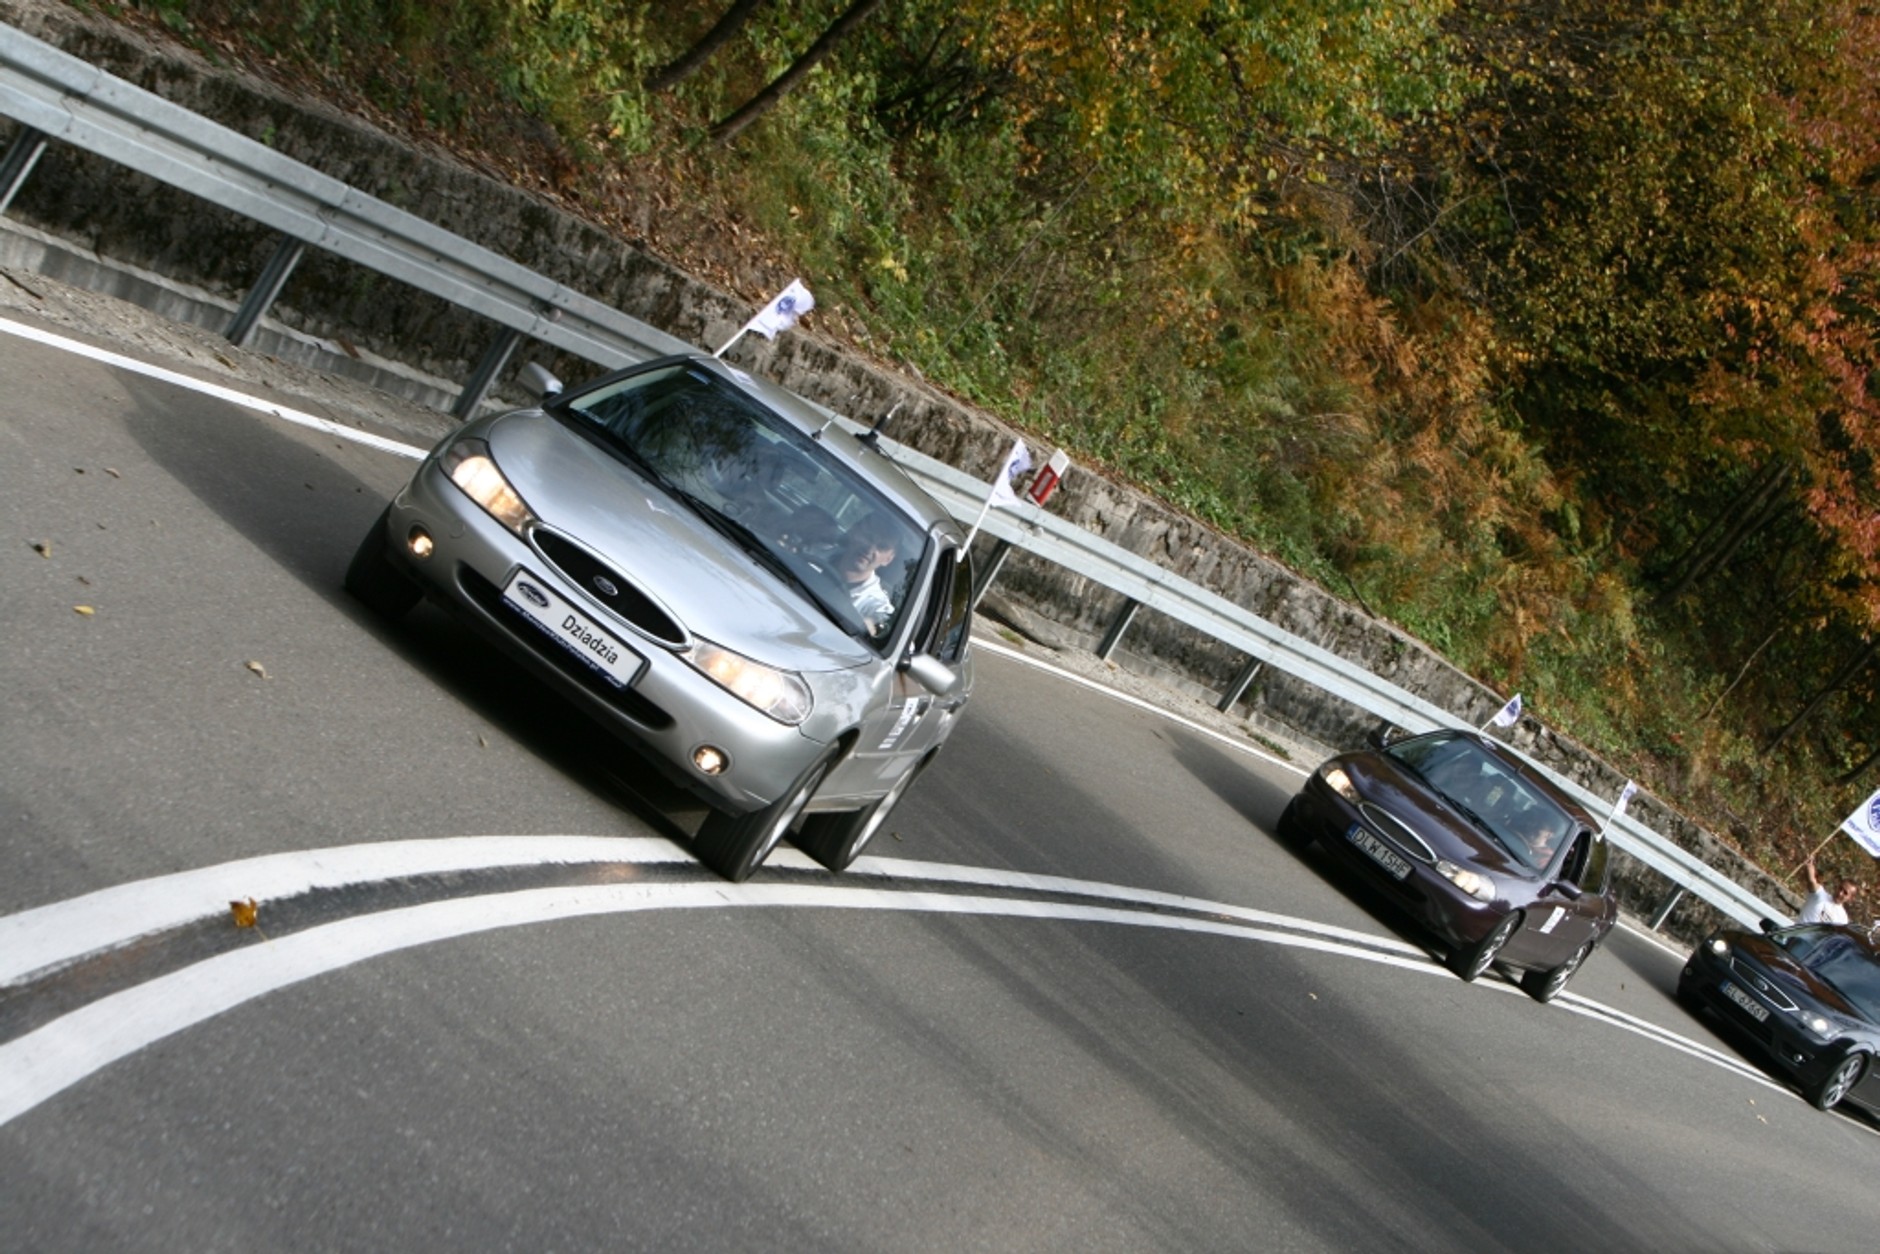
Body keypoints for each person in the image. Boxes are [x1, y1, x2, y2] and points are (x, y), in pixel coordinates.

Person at [837, 515, 898, 635]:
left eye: (882, 547)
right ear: (853, 531)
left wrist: (872, 625)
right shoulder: (812, 552)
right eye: (869, 537)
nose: (870, 549)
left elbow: (885, 624)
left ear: (888, 560)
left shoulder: (875, 602)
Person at [1800, 855, 1860, 925]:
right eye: (1840, 888)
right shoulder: (1820, 894)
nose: (1840, 893)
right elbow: (1811, 880)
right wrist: (1809, 865)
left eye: (1845, 893)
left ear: (1850, 898)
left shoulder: (1843, 918)